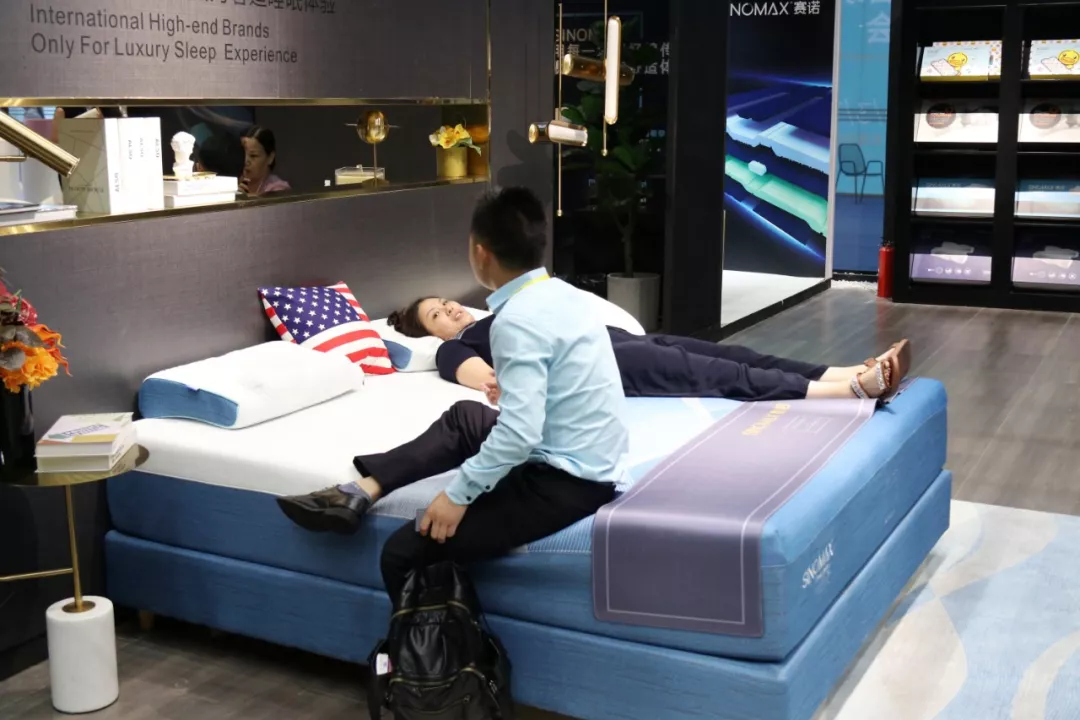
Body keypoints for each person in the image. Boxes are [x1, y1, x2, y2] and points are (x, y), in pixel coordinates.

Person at [277, 187, 630, 603]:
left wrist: (456, 495)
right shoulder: (565, 295)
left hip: (567, 483)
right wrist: (518, 389)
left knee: (401, 555)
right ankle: (361, 491)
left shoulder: (516, 320)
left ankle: (450, 648)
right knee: (466, 416)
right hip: (593, 459)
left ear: (480, 253)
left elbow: (520, 434)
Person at [388, 298, 910, 402]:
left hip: (617, 342)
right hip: (592, 365)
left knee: (737, 356)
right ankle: (849, 390)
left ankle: (844, 368)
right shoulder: (455, 349)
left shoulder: (497, 313)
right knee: (711, 374)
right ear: (431, 335)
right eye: (436, 314)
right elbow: (486, 380)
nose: (449, 309)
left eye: (445, 302)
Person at [240, 126, 290, 196]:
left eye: (253, 156)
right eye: (242, 154)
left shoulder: (279, 189)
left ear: (270, 158)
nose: (246, 161)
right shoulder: (234, 184)